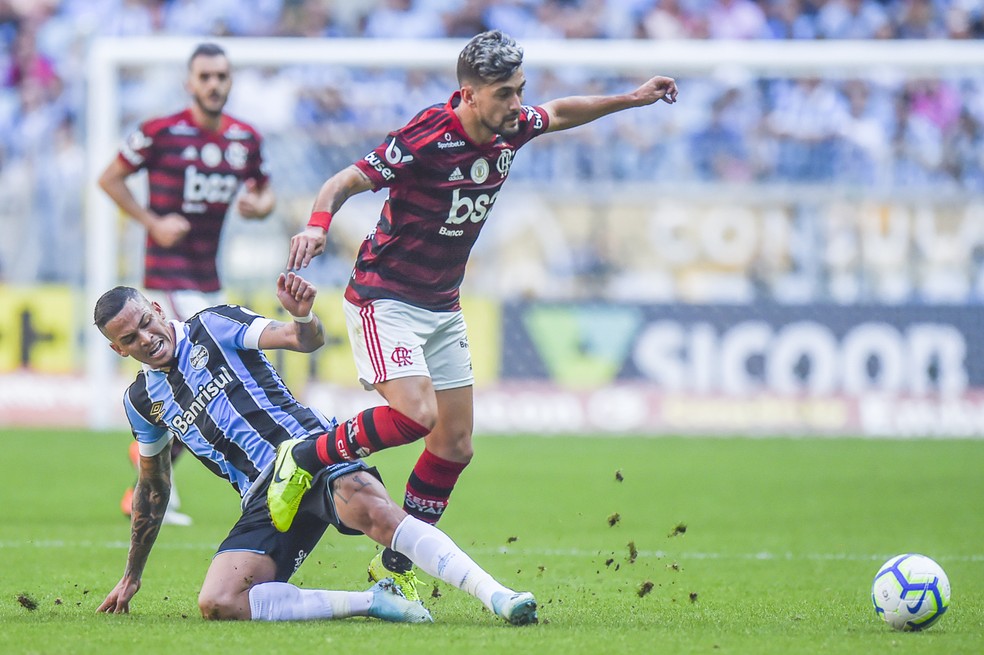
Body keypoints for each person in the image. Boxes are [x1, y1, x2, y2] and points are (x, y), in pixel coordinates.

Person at [267, 29, 678, 599]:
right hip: (383, 297)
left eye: (519, 91)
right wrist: (317, 225)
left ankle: (394, 568)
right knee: (417, 414)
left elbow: (558, 111)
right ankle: (307, 455)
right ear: (468, 93)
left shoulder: (511, 128)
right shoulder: (426, 134)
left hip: (442, 304)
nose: (518, 105)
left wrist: (631, 99)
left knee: (455, 444)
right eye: (505, 94)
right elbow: (345, 181)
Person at [93, 271, 537, 626]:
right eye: (130, 339)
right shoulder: (141, 402)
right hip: (263, 498)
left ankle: (496, 596)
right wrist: (132, 575)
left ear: (155, 308)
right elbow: (153, 488)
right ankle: (372, 602)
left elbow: (302, 340)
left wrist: (303, 317)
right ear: (117, 349)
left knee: (376, 513)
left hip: (312, 454)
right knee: (219, 602)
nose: (146, 338)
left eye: (146, 323)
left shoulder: (213, 324)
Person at [98, 42, 276, 526]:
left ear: (230, 81)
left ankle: (150, 473)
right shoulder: (161, 133)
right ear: (189, 83)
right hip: (167, 277)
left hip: (209, 276)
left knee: (203, 380)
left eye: (222, 76)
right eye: (205, 77)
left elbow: (264, 193)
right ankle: (151, 479)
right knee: (198, 374)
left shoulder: (245, 138)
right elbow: (109, 178)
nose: (214, 84)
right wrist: (151, 221)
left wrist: (260, 207)